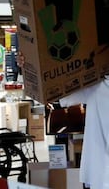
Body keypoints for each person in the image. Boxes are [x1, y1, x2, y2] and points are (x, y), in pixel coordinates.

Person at [17, 52, 103, 189]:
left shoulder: (98, 86)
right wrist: (29, 67)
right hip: (101, 175)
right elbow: (52, 92)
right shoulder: (97, 85)